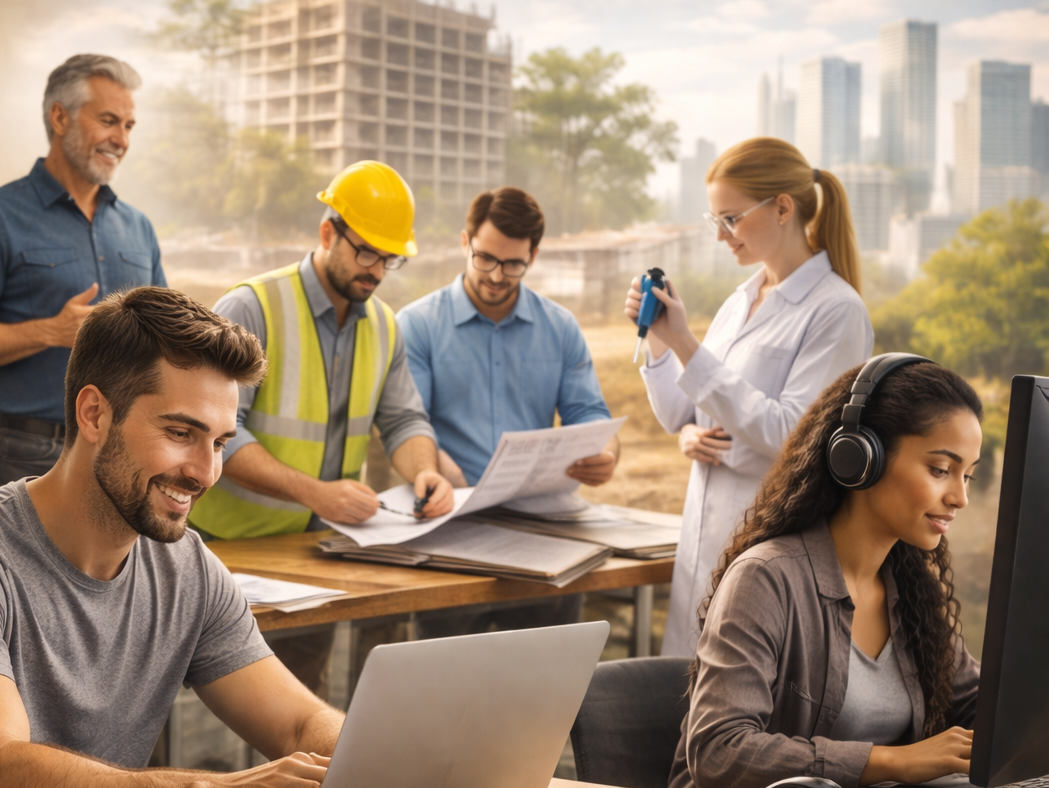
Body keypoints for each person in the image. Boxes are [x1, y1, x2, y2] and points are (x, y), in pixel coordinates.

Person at [671, 356, 1049, 788]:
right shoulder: (769, 580)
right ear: (858, 459)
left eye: (967, 475)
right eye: (939, 470)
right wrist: (889, 762)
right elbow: (719, 750)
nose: (958, 497)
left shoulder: (910, 590)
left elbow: (978, 704)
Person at [0, 286, 344, 788]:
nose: (205, 472)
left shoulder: (188, 569)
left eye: (218, 442)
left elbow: (298, 726)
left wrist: (363, 760)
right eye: (180, 433)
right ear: (94, 413)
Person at [189, 161, 453, 691]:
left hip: (317, 556)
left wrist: (425, 471)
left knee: (300, 702)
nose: (376, 270)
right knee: (211, 699)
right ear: (328, 232)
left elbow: (403, 420)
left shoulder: (384, 325)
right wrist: (317, 495)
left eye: (389, 258)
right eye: (366, 252)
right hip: (228, 552)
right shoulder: (251, 307)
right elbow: (217, 431)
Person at [625, 138, 873, 658]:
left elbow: (792, 436)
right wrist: (659, 339)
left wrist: (688, 344)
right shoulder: (739, 302)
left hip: (764, 556)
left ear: (782, 207)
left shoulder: (836, 311)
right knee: (684, 712)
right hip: (700, 550)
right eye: (713, 219)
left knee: (741, 714)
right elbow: (678, 413)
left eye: (731, 219)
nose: (720, 235)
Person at [0, 54, 164, 489]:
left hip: (124, 447)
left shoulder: (138, 227)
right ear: (60, 117)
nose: (121, 139)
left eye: (129, 126)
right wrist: (51, 332)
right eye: (109, 121)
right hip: (26, 450)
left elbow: (160, 336)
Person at [400, 186, 617, 636]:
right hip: (452, 528)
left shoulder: (559, 327)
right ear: (465, 243)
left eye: (513, 263)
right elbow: (408, 423)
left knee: (544, 685)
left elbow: (590, 413)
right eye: (485, 259)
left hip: (545, 534)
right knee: (450, 683)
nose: (497, 275)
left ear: (533, 255)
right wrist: (439, 474)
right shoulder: (418, 325)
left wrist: (606, 452)